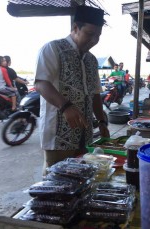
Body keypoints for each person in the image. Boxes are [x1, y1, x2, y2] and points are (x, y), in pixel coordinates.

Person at [34, 5, 110, 174]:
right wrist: (66, 106)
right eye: (90, 34)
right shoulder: (53, 48)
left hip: (86, 134)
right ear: (75, 28)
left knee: (81, 178)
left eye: (98, 36)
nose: (94, 40)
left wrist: (102, 121)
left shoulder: (91, 60)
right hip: (59, 136)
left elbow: (95, 93)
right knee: (55, 181)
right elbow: (41, 83)